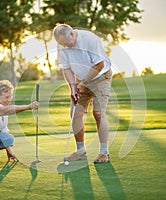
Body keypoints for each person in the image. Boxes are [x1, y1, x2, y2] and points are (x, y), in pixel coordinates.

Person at [53, 23, 112, 163]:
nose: (66, 46)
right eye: (63, 44)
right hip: (80, 80)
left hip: (100, 77)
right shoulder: (62, 44)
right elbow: (66, 68)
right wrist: (73, 87)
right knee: (75, 113)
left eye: (68, 43)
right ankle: (80, 152)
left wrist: (84, 82)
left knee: (98, 113)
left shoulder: (90, 39)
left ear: (72, 34)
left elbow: (99, 65)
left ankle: (104, 153)